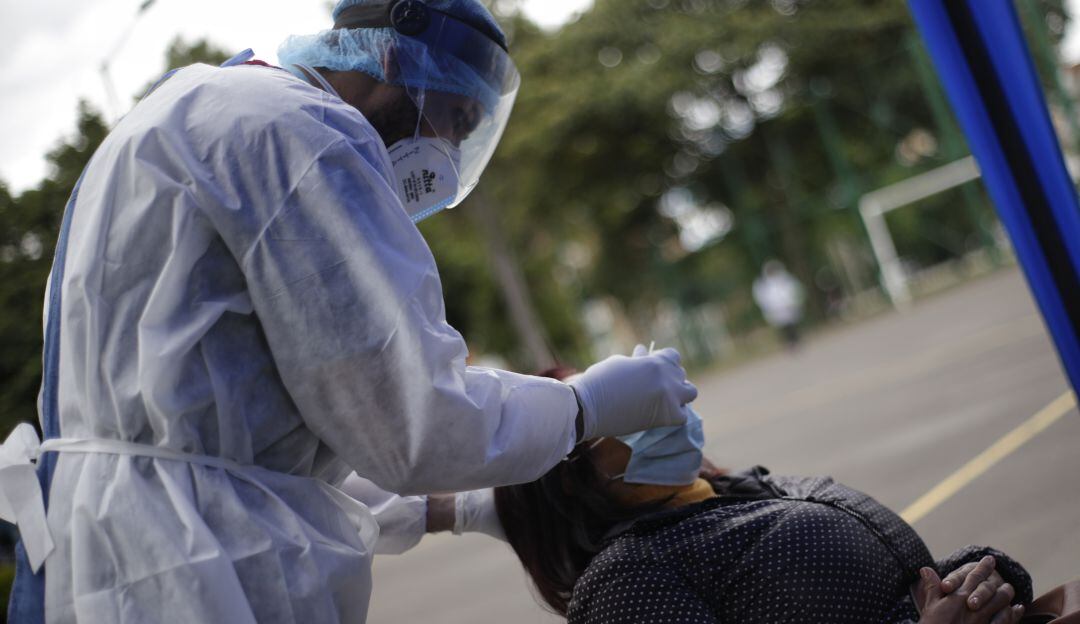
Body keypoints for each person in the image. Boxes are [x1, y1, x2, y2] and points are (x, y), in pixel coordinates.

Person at [0, 1, 699, 622]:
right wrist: (584, 405)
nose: (448, 153)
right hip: (188, 569)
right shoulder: (308, 138)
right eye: (453, 120)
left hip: (109, 544)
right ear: (393, 58)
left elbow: (261, 446)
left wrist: (456, 509)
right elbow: (415, 423)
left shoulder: (202, 106)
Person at [492, 369, 1032, 624]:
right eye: (615, 411)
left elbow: (894, 585)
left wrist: (979, 581)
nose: (649, 407)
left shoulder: (735, 488)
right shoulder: (624, 583)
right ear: (570, 476)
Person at [752, 258, 807, 349]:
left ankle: (795, 340)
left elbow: (793, 289)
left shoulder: (785, 278)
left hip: (788, 305)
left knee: (791, 324)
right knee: (784, 326)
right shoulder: (764, 284)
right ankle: (790, 342)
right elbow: (762, 297)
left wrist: (794, 301)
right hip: (776, 308)